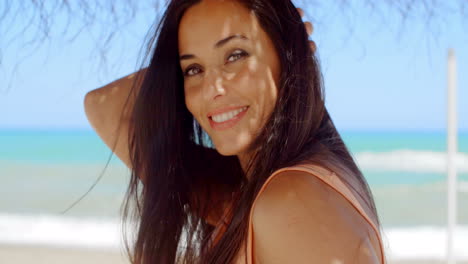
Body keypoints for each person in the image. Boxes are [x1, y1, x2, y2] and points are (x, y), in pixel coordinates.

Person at [84, 0, 386, 263]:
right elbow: (103, 106)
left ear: (287, 56)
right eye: (193, 70)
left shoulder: (291, 201)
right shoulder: (247, 194)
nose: (212, 90)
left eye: (235, 55)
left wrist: (289, 39)